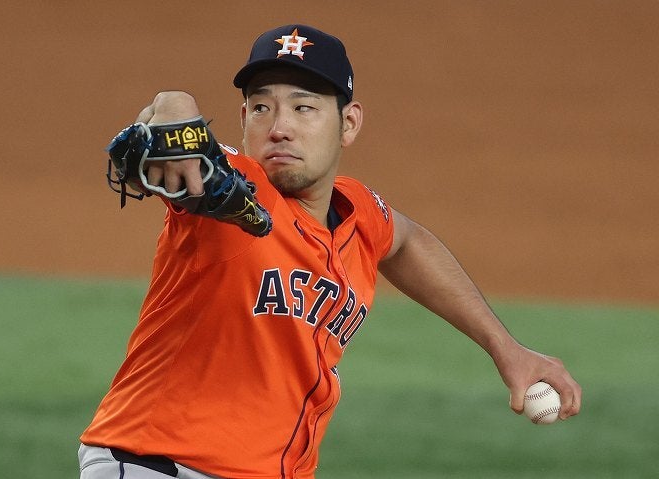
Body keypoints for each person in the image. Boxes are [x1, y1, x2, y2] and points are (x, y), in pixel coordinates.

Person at [79, 24, 581, 479]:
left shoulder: (360, 214)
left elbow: (407, 243)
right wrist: (176, 109)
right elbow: (176, 128)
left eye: (304, 107)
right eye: (261, 107)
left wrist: (507, 350)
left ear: (349, 123)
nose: (279, 126)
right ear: (243, 119)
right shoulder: (231, 191)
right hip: (159, 464)